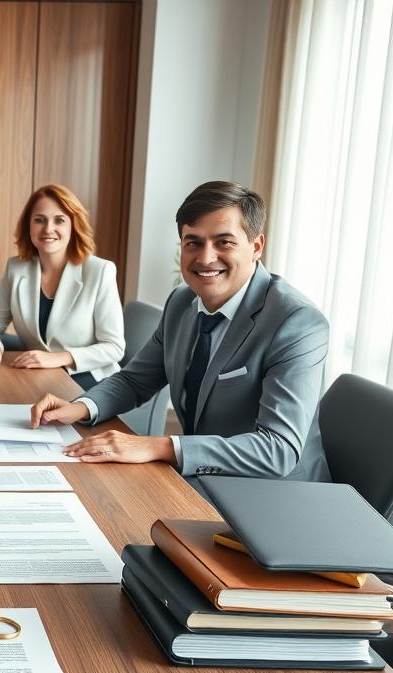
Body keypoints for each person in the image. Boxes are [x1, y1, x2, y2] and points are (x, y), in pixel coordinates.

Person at [29, 180, 329, 481]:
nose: (206, 257)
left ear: (256, 247)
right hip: (203, 480)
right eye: (193, 242)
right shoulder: (182, 302)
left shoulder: (297, 322)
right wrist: (81, 407)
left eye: (224, 242)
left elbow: (277, 451)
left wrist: (158, 446)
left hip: (275, 495)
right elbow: (135, 381)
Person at [0, 184, 124, 390]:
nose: (48, 229)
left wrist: (59, 358)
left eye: (59, 220)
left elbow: (115, 348)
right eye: (39, 220)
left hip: (93, 381)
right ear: (28, 226)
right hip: (39, 381)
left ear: (73, 226)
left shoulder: (100, 271)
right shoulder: (16, 268)